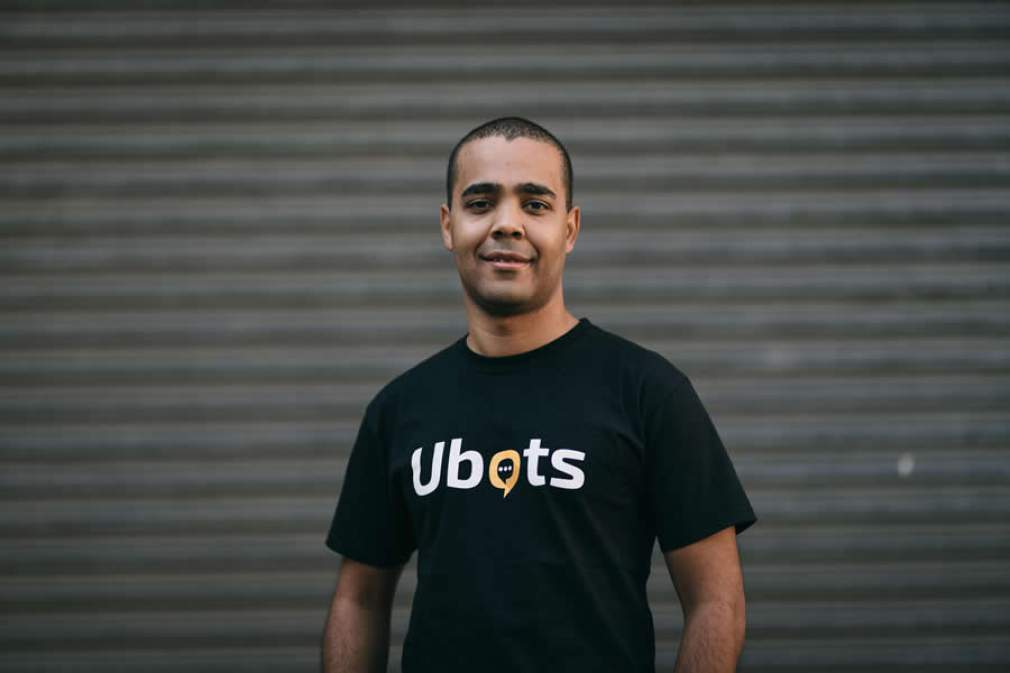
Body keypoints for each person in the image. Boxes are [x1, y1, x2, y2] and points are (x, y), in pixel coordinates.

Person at [321, 116, 757, 673]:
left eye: (534, 204)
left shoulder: (648, 393)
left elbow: (717, 602)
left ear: (570, 229)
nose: (507, 224)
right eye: (481, 203)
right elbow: (358, 601)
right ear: (448, 225)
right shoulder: (400, 408)